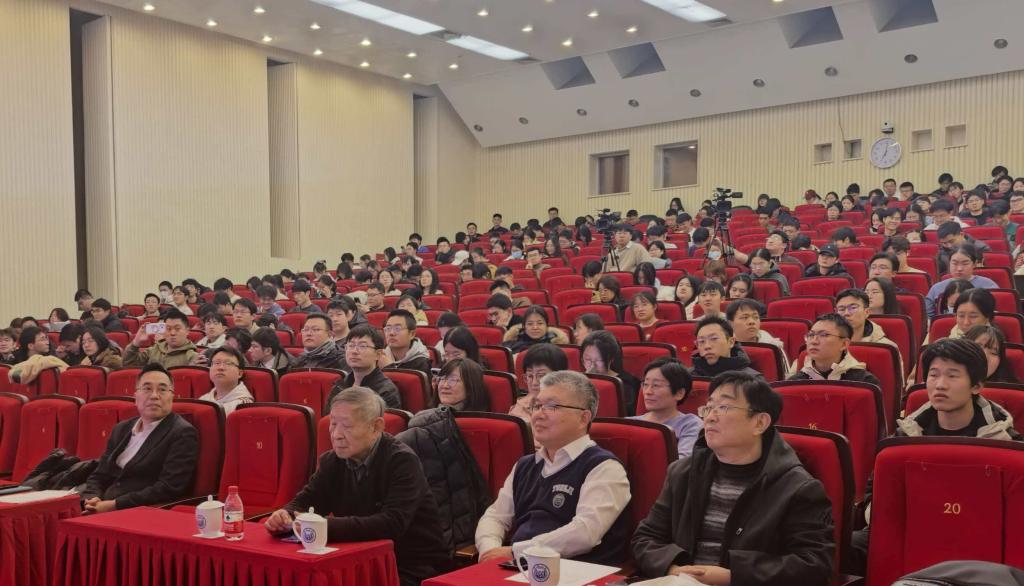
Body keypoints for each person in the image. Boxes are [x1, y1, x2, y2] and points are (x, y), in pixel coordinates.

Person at [631, 371, 835, 583]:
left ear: (759, 423)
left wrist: (733, 576)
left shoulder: (797, 487)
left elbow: (814, 564)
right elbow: (645, 538)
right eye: (708, 407)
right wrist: (673, 569)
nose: (710, 417)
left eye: (723, 407)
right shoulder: (682, 472)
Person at [265, 388, 449, 586]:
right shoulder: (331, 461)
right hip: (356, 560)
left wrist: (322, 526)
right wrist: (285, 516)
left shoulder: (401, 461)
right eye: (333, 424)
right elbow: (306, 501)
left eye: (347, 426)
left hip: (409, 565)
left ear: (376, 427)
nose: (336, 435)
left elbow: (391, 523)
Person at [475, 371, 631, 564]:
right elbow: (495, 517)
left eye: (551, 406)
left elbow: (585, 533)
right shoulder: (525, 465)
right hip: (516, 566)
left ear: (583, 418)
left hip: (574, 571)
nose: (539, 414)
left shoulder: (604, 467)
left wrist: (517, 552)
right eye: (537, 406)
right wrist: (490, 550)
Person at [397, 358, 492, 556]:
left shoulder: (487, 426)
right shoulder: (425, 426)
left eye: (454, 380)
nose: (445, 385)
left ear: (472, 386)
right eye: (442, 378)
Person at [81, 364, 199, 513]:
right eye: (147, 389)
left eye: (162, 390)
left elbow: (169, 487)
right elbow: (100, 473)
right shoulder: (122, 428)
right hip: (102, 504)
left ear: (172, 396)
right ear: (136, 396)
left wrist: (113, 505)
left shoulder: (182, 433)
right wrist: (93, 497)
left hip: (138, 511)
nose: (154, 396)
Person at [628, 358, 702, 458]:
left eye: (656, 385)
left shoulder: (690, 424)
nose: (648, 392)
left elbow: (681, 463)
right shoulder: (629, 423)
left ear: (679, 393)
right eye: (645, 384)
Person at [788, 313, 882, 385]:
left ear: (844, 344)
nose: (813, 341)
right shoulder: (795, 382)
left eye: (823, 335)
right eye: (811, 335)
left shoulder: (864, 383)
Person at [328, 324, 401, 411]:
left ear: (378, 354)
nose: (354, 351)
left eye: (362, 346)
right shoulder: (340, 385)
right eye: (351, 345)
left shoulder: (385, 391)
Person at [925, 244, 998, 318]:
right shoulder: (936, 288)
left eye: (965, 263)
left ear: (975, 264)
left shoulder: (989, 286)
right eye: (955, 263)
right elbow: (929, 317)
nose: (959, 268)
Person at [581, 331, 641, 415]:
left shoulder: (626, 384)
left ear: (611, 359)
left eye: (599, 360)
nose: (592, 366)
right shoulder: (578, 381)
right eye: (588, 359)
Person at [510, 344, 569, 422]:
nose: (534, 383)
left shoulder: (569, 409)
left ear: (560, 377)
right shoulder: (519, 407)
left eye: (541, 376)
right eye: (530, 376)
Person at [689, 316, 761, 379]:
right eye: (701, 341)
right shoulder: (688, 376)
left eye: (714, 339)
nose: (707, 346)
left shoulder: (751, 379)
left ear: (731, 342)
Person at [726, 299, 789, 370]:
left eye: (755, 317)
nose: (751, 322)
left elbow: (783, 374)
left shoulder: (772, 344)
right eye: (745, 317)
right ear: (730, 323)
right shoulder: (724, 345)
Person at [123, 310, 198, 368]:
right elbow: (128, 364)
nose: (172, 333)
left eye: (177, 328)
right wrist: (136, 342)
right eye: (168, 328)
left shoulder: (192, 357)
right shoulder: (155, 349)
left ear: (187, 331)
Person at [197, 346, 253, 414]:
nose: (221, 368)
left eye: (228, 363)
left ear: (240, 373)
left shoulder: (242, 405)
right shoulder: (203, 400)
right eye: (217, 363)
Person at [379, 310, 432, 377]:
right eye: (388, 328)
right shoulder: (380, 356)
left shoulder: (421, 362)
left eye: (397, 329)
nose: (391, 333)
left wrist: (388, 368)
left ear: (412, 334)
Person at [502, 305, 569, 353]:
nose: (535, 327)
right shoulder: (511, 345)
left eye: (540, 323)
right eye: (530, 324)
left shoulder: (557, 346)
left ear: (546, 326)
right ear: (524, 326)